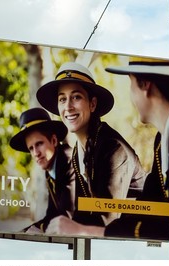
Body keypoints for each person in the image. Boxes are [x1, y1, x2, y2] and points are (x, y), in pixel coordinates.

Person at [36, 62, 146, 236]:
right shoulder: (78, 152)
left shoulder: (113, 148)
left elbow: (106, 218)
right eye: (62, 99)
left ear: (92, 104)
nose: (68, 107)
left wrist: (68, 227)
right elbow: (80, 211)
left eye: (76, 97)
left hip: (136, 237)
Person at [102, 58, 169, 240]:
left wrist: (95, 231)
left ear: (145, 85)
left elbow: (167, 223)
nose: (130, 95)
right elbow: (151, 204)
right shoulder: (162, 140)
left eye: (131, 84)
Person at [10, 107, 75, 233]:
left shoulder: (69, 162)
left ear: (54, 140)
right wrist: (24, 232)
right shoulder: (51, 169)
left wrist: (40, 230)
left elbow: (68, 217)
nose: (36, 153)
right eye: (31, 148)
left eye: (39, 144)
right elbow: (52, 216)